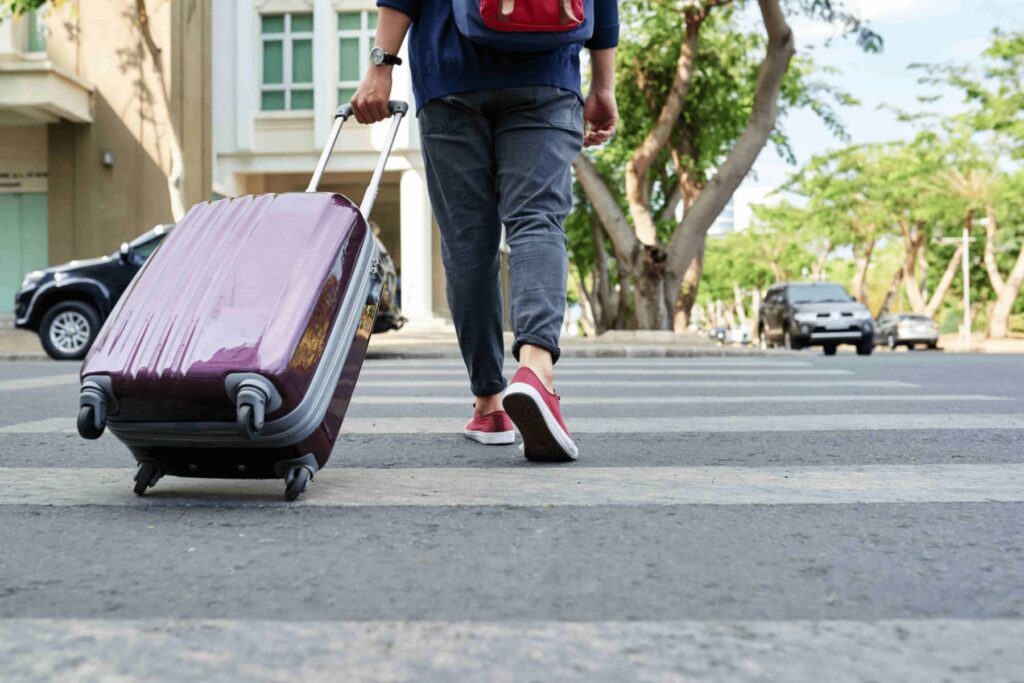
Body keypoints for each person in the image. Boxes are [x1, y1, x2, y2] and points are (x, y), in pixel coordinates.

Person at [352, 0, 619, 462]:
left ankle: (490, 404)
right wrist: (602, 84)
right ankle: (536, 370)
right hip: (547, 69)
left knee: (467, 244)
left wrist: (382, 65)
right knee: (537, 220)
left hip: (450, 73)